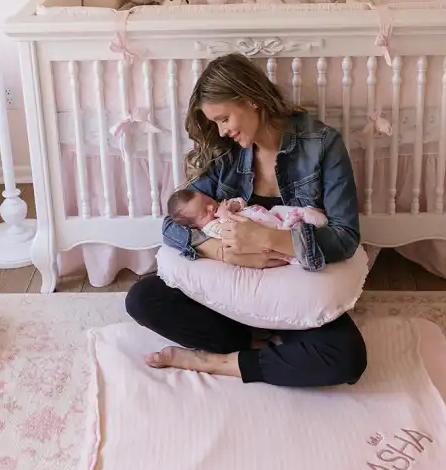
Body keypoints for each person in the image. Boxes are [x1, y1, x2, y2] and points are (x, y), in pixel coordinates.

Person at [124, 53, 367, 388]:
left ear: (251, 99)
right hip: (234, 292)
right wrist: (222, 252)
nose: (222, 131)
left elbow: (345, 236)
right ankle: (255, 340)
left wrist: (267, 239)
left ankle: (219, 361)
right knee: (142, 299)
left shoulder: (323, 145)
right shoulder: (226, 153)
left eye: (224, 118)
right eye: (216, 124)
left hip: (290, 295)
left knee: (347, 357)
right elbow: (173, 224)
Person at [165, 188, 328, 263]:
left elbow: (241, 201)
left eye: (208, 201)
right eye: (204, 212)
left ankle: (305, 213)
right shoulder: (210, 228)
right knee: (285, 228)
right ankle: (299, 223)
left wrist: (235, 205)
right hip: (266, 229)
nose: (211, 207)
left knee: (278, 209)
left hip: (268, 215)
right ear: (195, 226)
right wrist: (226, 216)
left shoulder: (221, 206)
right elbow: (229, 234)